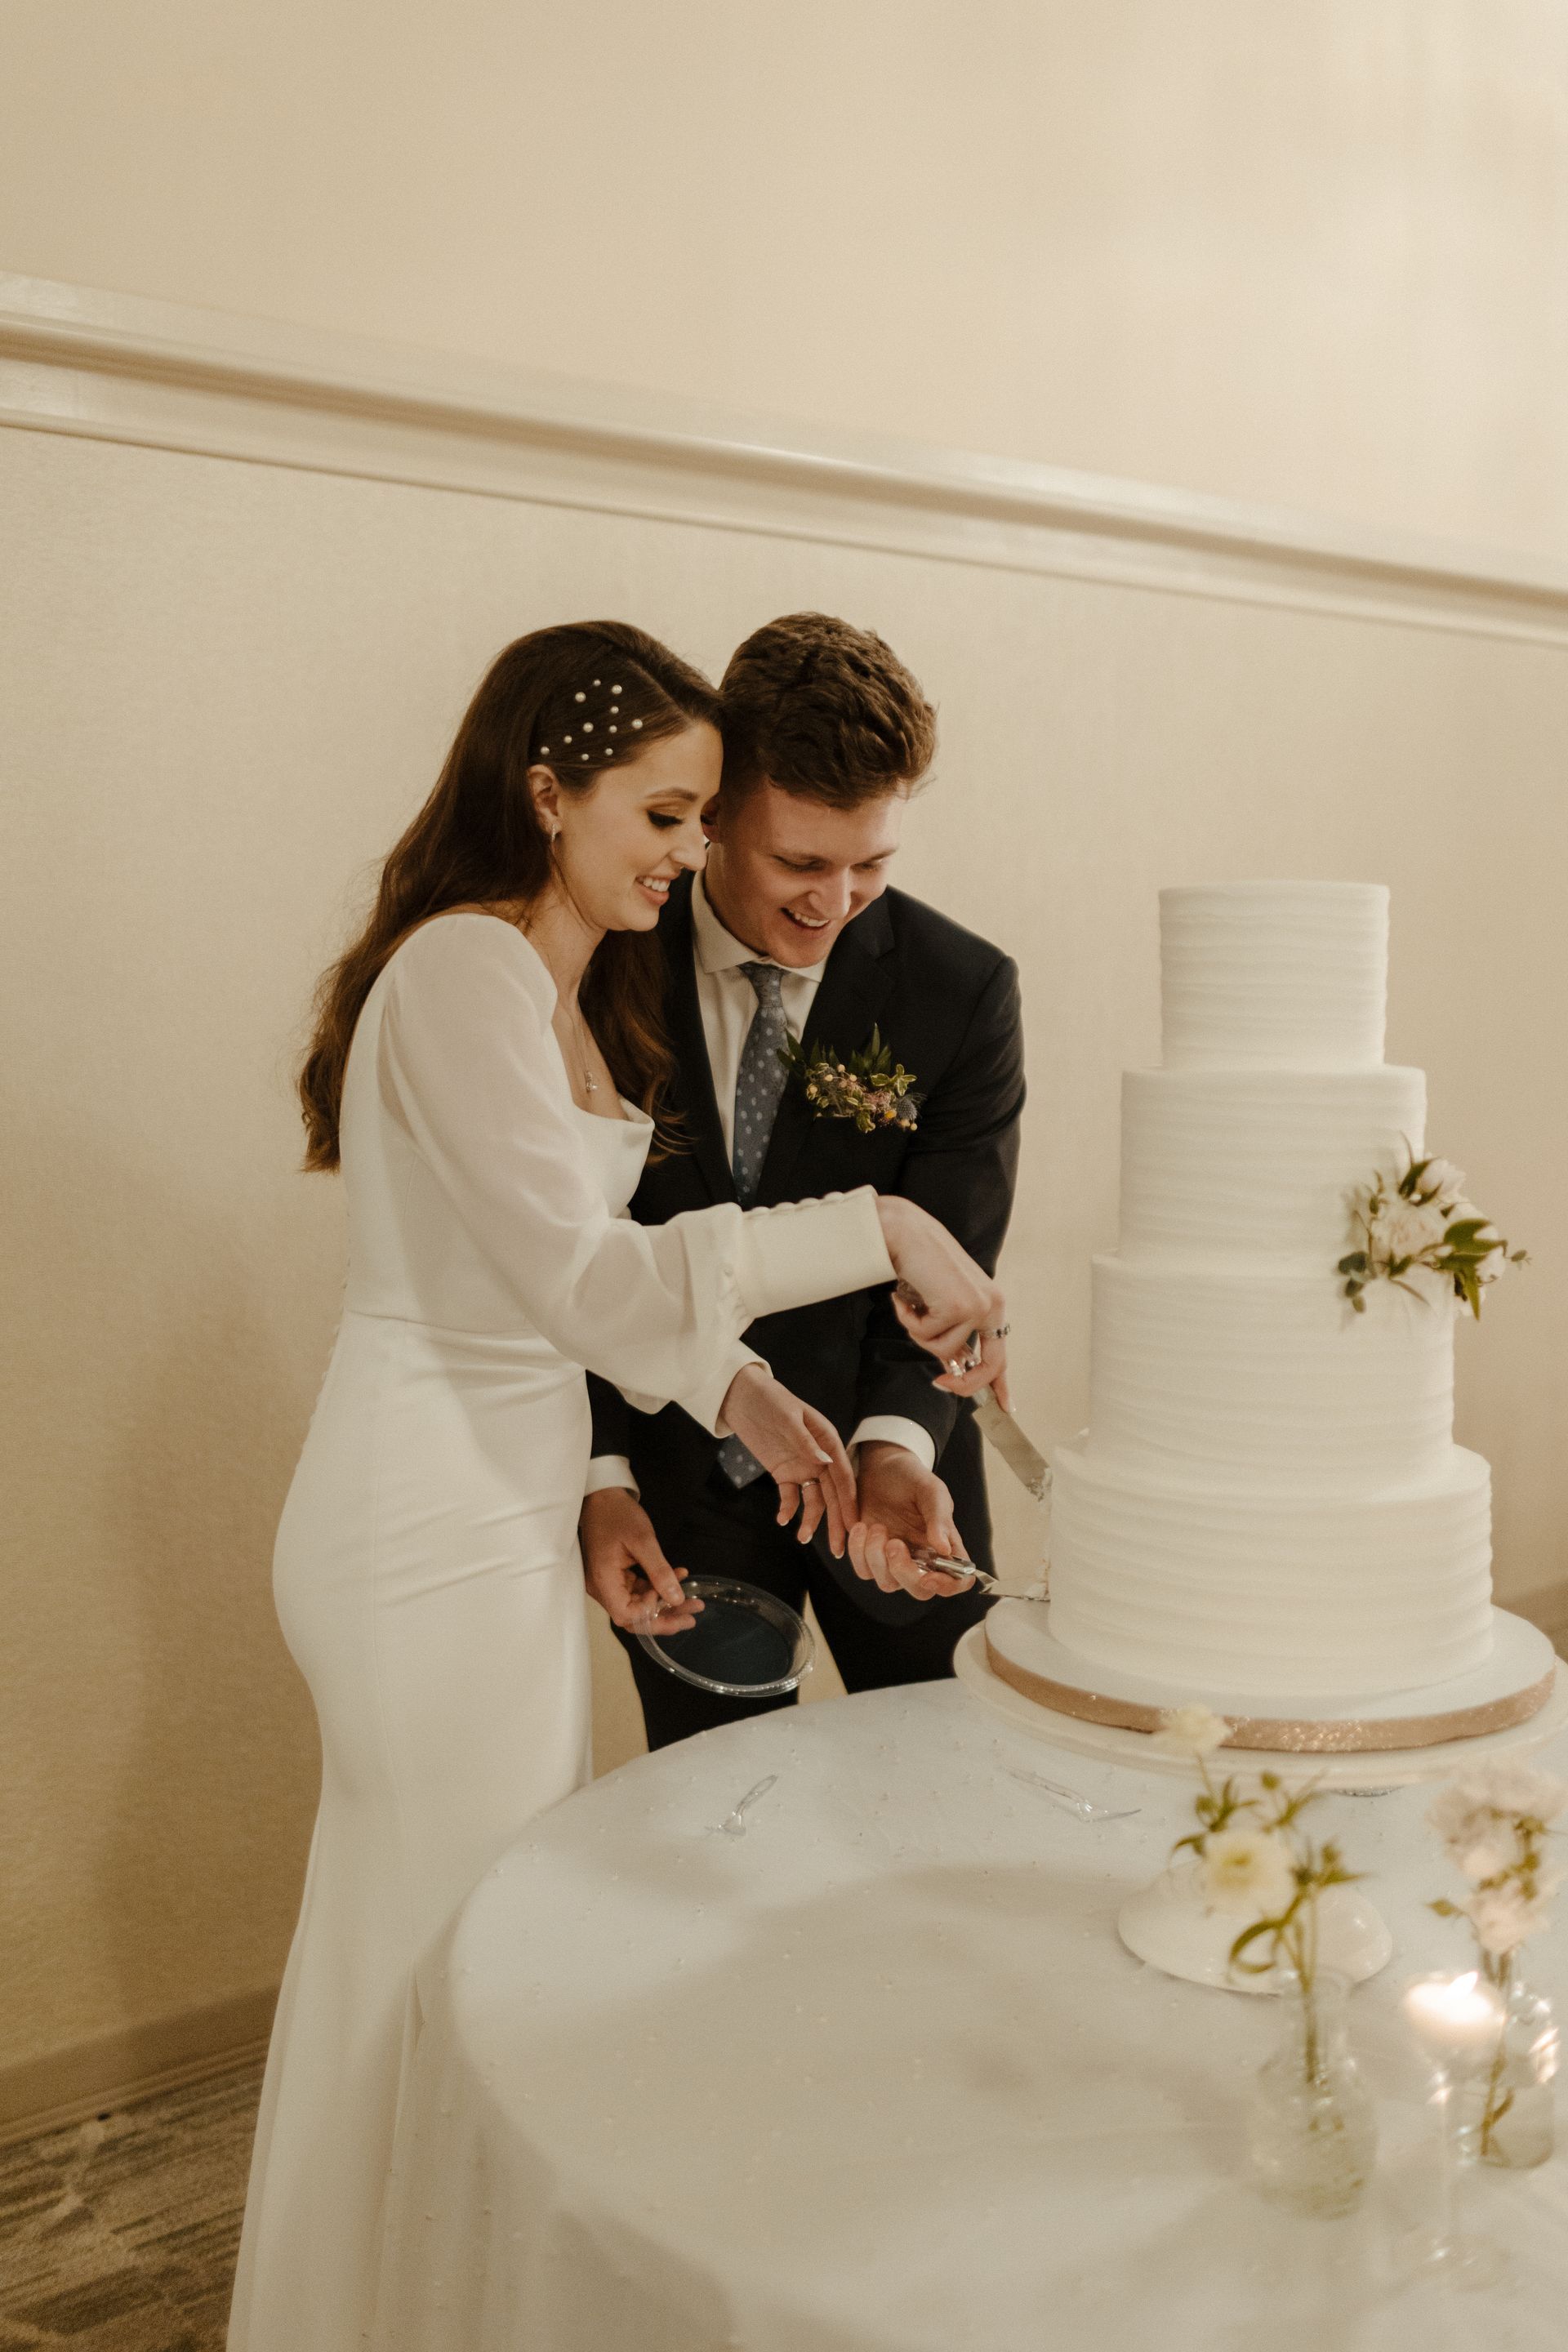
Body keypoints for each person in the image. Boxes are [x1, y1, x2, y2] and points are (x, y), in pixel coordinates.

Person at [227, 620, 1006, 2352]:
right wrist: (869, 1226)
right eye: (669, 815)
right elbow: (582, 1285)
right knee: (431, 1944)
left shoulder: (543, 972)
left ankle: (391, 2299)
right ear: (547, 789)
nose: (683, 853)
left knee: (451, 1938)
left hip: (489, 1510)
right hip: (421, 1517)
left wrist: (753, 1394)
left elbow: (558, 1274)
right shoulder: (463, 973)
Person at [581, 612, 1024, 1750]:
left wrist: (893, 1447)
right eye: (800, 864)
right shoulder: (600, 956)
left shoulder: (960, 990)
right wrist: (601, 1471)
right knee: (713, 1814)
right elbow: (571, 1249)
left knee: (946, 1785)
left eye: (870, 865)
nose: (833, 903)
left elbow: (952, 1264)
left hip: (891, 1477)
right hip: (680, 1483)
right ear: (718, 813)